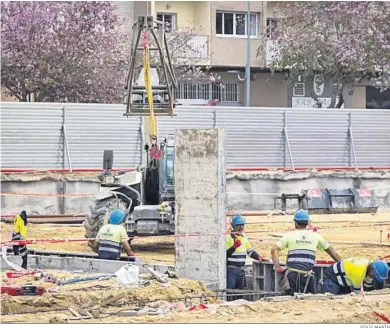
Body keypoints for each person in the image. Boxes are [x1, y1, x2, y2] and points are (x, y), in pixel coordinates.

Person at [271, 209, 341, 295]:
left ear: (296, 223)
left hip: (292, 276)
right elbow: (331, 251)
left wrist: (278, 268)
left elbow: (274, 249)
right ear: (307, 222)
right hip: (308, 276)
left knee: (291, 300)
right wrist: (342, 264)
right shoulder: (316, 236)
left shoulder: (289, 236)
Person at [226, 214, 265, 290]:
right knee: (230, 291)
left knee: (240, 292)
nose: (241, 228)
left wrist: (259, 257)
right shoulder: (228, 238)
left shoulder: (244, 237)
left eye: (242, 225)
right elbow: (224, 255)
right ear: (233, 226)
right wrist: (234, 247)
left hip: (241, 270)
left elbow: (250, 251)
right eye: (238, 225)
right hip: (231, 270)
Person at [323, 258, 389, 295]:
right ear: (373, 270)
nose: (373, 277)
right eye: (374, 275)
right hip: (331, 278)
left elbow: (367, 286)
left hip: (344, 279)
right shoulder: (359, 272)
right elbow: (357, 294)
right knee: (334, 299)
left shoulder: (369, 267)